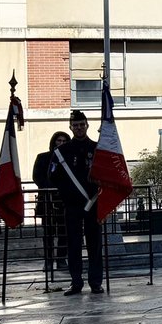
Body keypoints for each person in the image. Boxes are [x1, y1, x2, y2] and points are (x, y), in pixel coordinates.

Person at [52, 110, 104, 295]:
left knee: (94, 244)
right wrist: (68, 196)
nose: (79, 128)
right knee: (73, 244)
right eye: (75, 125)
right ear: (70, 127)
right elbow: (55, 177)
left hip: (93, 203)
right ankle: (76, 282)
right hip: (73, 205)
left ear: (87, 126)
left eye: (82, 124)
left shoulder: (97, 148)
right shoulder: (61, 152)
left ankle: (96, 282)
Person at [32, 130, 71, 273]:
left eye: (64, 141)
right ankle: (48, 261)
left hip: (65, 200)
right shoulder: (43, 157)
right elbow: (37, 177)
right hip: (47, 200)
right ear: (53, 142)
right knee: (48, 232)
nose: (61, 143)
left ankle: (61, 259)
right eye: (58, 141)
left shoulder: (70, 158)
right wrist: (52, 188)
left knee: (64, 231)